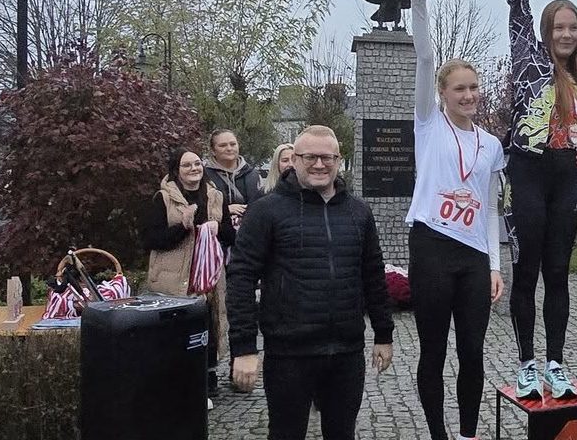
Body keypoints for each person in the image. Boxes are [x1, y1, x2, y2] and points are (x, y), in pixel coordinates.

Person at [482, 0, 577, 399]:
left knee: (559, 274)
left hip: (565, 176)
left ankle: (556, 364)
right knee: (527, 271)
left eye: (573, 28)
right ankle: (527, 362)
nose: (566, 34)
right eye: (559, 27)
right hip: (525, 172)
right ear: (546, 30)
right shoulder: (529, 55)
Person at [227, 125, 394, 440]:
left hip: (346, 351)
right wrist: (244, 347)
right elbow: (241, 277)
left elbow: (373, 273)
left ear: (338, 160)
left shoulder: (358, 212)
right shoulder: (266, 210)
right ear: (294, 160)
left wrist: (383, 334)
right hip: (289, 353)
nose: (319, 164)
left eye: (327, 158)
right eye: (310, 157)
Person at [405, 0, 507, 440]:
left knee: (472, 351)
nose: (468, 95)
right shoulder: (428, 123)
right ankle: (438, 435)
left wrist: (494, 265)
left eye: (473, 87)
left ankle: (467, 434)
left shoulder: (491, 144)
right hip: (431, 244)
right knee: (433, 351)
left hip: (472, 255)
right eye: (459, 88)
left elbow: (489, 207)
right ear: (442, 93)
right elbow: (425, 58)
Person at [143, 148, 235, 404]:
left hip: (209, 277)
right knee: (178, 330)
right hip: (174, 277)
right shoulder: (163, 198)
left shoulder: (215, 196)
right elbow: (150, 239)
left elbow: (231, 235)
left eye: (197, 163)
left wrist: (218, 228)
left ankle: (208, 377)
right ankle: (177, 379)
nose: (194, 169)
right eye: (187, 165)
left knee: (209, 326)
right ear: (176, 170)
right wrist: (183, 228)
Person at [204, 129, 265, 229]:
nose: (229, 148)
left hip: (250, 233)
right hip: (218, 234)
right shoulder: (204, 176)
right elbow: (198, 209)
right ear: (213, 151)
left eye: (233, 144)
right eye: (223, 145)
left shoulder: (253, 175)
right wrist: (224, 210)